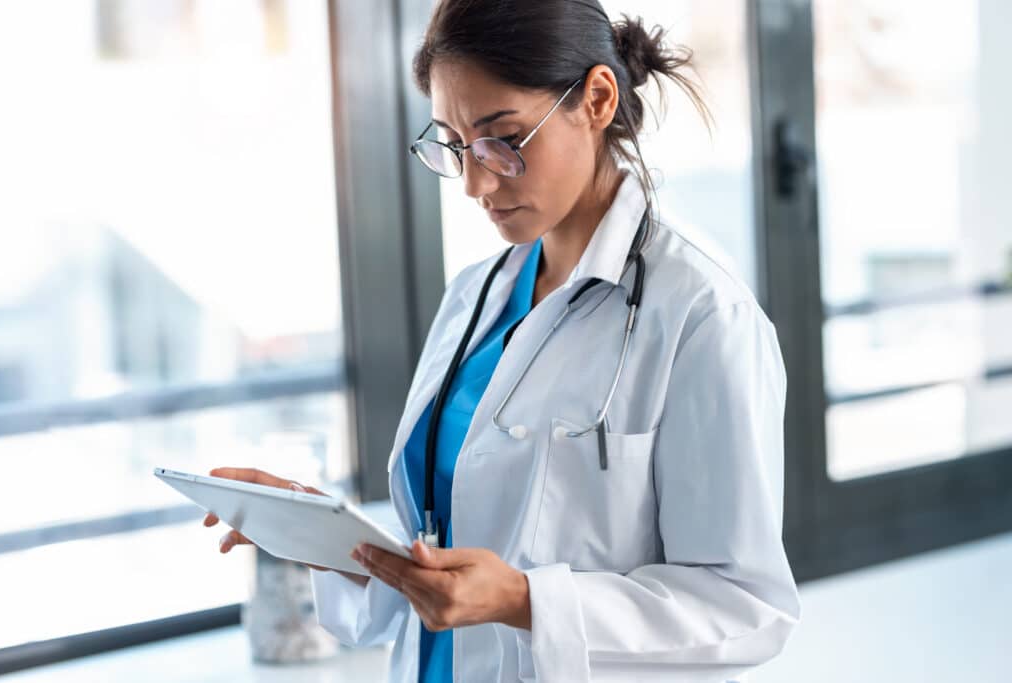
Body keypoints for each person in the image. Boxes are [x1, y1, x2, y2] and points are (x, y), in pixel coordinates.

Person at [203, 1, 801, 681]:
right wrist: (326, 538)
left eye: (503, 139)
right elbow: (448, 553)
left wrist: (523, 600)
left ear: (598, 98)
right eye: (455, 145)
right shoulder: (474, 297)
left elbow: (746, 607)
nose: (475, 183)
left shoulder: (701, 318)